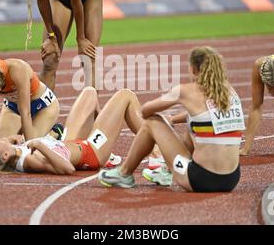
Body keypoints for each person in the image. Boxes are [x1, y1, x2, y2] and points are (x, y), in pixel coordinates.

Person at [98, 47, 245, 192]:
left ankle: (124, 174)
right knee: (194, 123)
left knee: (152, 122)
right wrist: (173, 119)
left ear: (194, 69)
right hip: (231, 179)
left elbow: (146, 110)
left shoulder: (186, 91)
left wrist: (165, 120)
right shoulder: (229, 92)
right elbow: (204, 116)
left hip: (202, 179)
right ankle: (165, 171)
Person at [0, 87, 142, 174]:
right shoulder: (30, 160)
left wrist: (15, 141)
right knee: (125, 96)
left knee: (89, 92)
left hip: (70, 142)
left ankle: (103, 132)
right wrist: (39, 145)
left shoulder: (17, 154)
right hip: (90, 151)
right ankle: (156, 151)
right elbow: (67, 169)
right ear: (4, 156)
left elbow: (17, 148)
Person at [23, 0, 103, 90]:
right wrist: (51, 37)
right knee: (50, 59)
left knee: (88, 58)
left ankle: (93, 111)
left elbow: (77, 3)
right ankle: (45, 110)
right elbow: (42, 1)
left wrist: (81, 38)